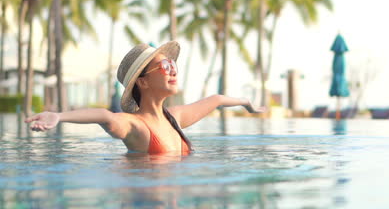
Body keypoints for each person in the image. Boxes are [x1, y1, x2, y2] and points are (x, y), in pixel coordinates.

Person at [25, 41, 265, 155]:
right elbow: (105, 116)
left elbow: (217, 99)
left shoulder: (174, 118)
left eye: (172, 64)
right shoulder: (137, 126)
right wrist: (58, 116)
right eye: (164, 65)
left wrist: (247, 104)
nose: (172, 70)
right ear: (143, 81)